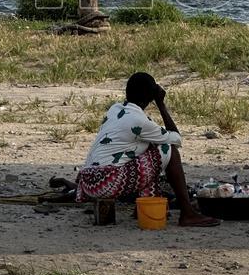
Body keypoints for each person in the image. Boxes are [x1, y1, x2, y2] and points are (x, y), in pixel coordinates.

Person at [75, 72, 219, 227]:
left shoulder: (115, 109)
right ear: (151, 97)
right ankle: (187, 213)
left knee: (150, 149)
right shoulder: (139, 120)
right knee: (167, 149)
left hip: (87, 181)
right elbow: (176, 139)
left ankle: (146, 205)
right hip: (105, 182)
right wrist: (161, 104)